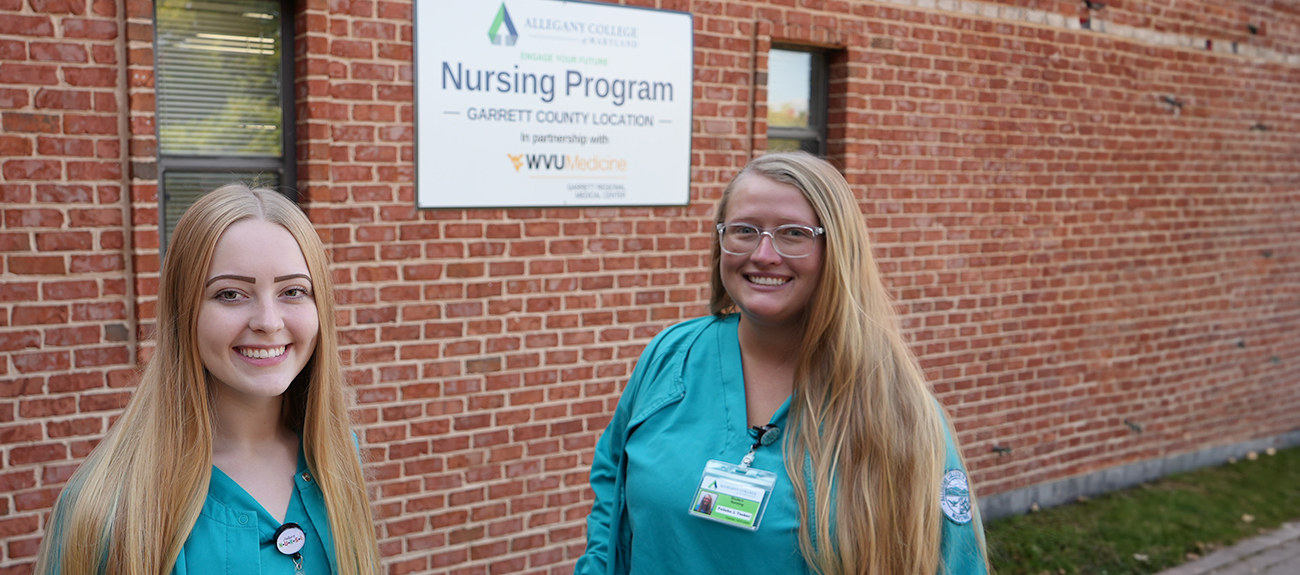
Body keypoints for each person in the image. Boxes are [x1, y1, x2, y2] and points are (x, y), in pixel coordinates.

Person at [575, 152, 988, 575]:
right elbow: (612, 481)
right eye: (743, 230)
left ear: (837, 248)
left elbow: (954, 563)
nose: (764, 254)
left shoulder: (898, 412)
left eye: (794, 233)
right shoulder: (671, 356)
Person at [35, 184, 382, 575]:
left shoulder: (337, 455)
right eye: (231, 294)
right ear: (184, 312)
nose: (268, 321)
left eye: (293, 291)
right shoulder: (109, 508)